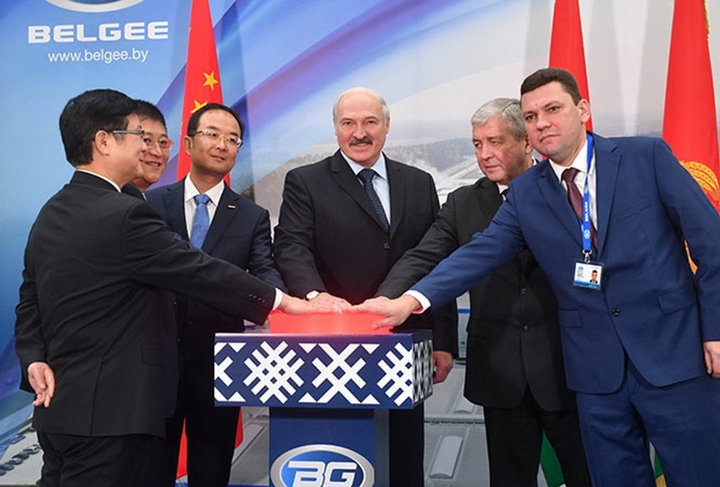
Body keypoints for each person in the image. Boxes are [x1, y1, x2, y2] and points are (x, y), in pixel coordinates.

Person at [355, 68, 720, 487]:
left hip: (676, 356)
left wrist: (716, 330)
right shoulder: (527, 191)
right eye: (531, 116)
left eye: (552, 109)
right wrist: (409, 301)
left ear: (582, 110)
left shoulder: (646, 157)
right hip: (596, 376)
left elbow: (711, 245)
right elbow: (479, 252)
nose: (542, 123)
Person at [13, 88, 321, 487]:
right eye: (137, 136)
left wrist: (33, 357)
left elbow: (30, 298)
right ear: (104, 141)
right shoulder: (126, 214)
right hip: (112, 415)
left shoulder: (53, 210)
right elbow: (197, 270)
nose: (146, 147)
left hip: (59, 411)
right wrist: (282, 302)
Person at [375, 97, 590, 486]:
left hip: (568, 368)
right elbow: (424, 255)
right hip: (500, 374)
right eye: (477, 144)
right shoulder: (463, 203)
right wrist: (388, 297)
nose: (485, 154)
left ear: (526, 141)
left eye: (495, 142)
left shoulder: (568, 190)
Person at [273, 86, 457, 487]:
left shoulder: (419, 182)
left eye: (370, 122)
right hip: (331, 346)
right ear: (335, 129)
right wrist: (315, 295)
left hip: (407, 344)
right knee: (345, 457)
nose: (359, 133)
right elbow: (290, 246)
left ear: (387, 126)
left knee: (403, 460)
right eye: (348, 123)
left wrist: (443, 340)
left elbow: (437, 261)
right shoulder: (305, 181)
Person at [145, 102, 286, 487]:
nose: (223, 144)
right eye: (212, 134)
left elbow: (265, 274)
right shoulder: (151, 204)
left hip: (219, 364)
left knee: (211, 471)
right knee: (150, 470)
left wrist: (286, 302)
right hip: (155, 363)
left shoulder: (252, 216)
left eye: (233, 139)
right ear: (188, 143)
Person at [129, 99, 172, 193]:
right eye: (146, 140)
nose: (157, 152)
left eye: (163, 142)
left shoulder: (155, 201)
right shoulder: (103, 199)